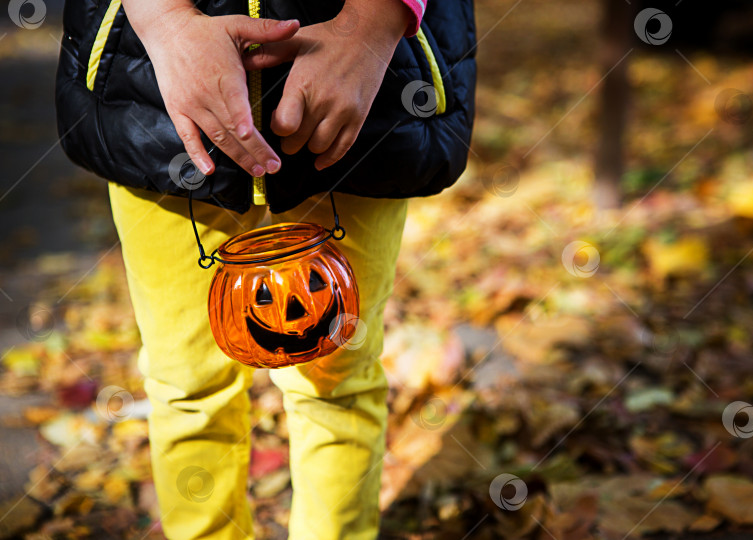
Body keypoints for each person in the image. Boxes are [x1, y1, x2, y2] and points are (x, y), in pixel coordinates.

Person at [56, 0, 476, 537]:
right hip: (160, 105)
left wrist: (373, 23)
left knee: (338, 381)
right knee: (187, 387)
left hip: (358, 102)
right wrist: (162, 20)